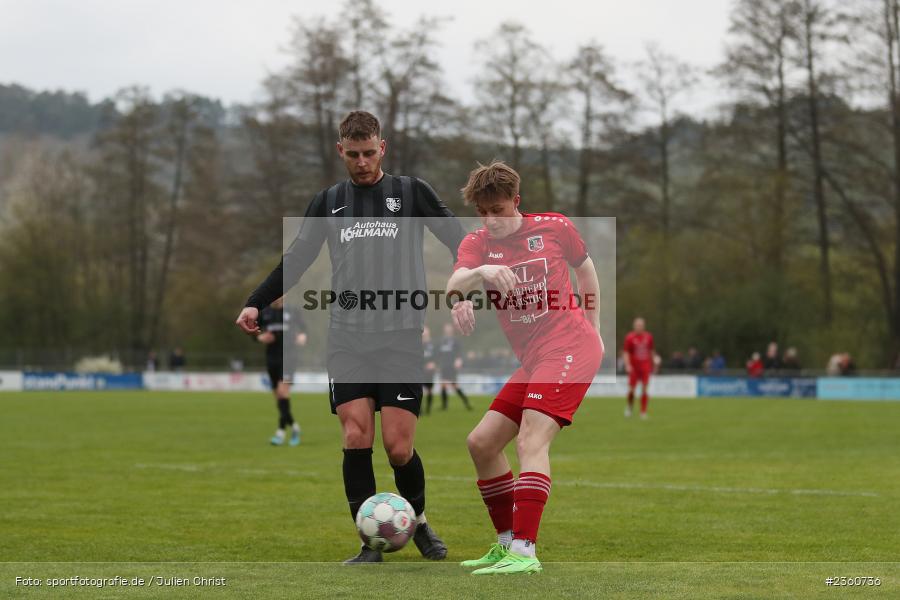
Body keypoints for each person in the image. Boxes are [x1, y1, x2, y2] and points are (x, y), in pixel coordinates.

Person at [235, 111, 463, 564]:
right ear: (341, 151)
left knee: (399, 447)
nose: (362, 162)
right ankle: (370, 542)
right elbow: (297, 258)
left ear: (384, 147)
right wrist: (255, 301)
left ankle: (416, 523)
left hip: (399, 336)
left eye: (369, 152)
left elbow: (460, 241)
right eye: (353, 154)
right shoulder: (329, 201)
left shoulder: (411, 192)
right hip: (347, 337)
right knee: (356, 436)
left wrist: (466, 288)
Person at [446, 161, 604, 575]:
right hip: (534, 360)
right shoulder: (478, 244)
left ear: (516, 202)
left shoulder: (554, 227)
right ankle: (504, 544)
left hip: (569, 346)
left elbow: (586, 271)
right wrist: (473, 281)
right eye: (482, 211)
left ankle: (525, 551)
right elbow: (454, 283)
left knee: (531, 439)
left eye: (497, 210)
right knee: (481, 443)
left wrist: (596, 330)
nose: (489, 220)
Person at [257, 296, 305, 446]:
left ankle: (280, 431)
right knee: (279, 398)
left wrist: (302, 336)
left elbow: (304, 328)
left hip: (289, 358)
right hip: (271, 359)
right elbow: (253, 331)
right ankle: (295, 427)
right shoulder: (264, 313)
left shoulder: (292, 311)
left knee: (283, 393)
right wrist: (260, 337)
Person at [623, 317, 655, 419]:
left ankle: (643, 412)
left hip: (645, 366)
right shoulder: (629, 338)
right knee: (632, 390)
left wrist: (654, 362)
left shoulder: (649, 337)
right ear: (634, 326)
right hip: (634, 368)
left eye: (641, 325)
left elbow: (651, 351)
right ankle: (629, 407)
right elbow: (626, 352)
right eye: (637, 325)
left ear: (644, 326)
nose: (639, 327)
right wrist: (627, 364)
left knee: (645, 389)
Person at [438, 322, 472, 411]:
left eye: (449, 328)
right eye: (446, 328)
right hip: (444, 366)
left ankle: (467, 403)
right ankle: (444, 406)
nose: (448, 330)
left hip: (451, 366)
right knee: (443, 385)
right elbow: (438, 354)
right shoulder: (441, 341)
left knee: (455, 386)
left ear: (452, 330)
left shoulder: (456, 341)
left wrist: (459, 360)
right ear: (444, 330)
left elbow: (460, 352)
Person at [422, 326, 437, 415]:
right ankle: (421, 411)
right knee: (419, 390)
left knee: (429, 390)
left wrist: (434, 364)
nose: (425, 333)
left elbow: (437, 356)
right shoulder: (417, 343)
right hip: (420, 370)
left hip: (429, 371)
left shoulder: (432, 344)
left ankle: (428, 410)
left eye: (426, 332)